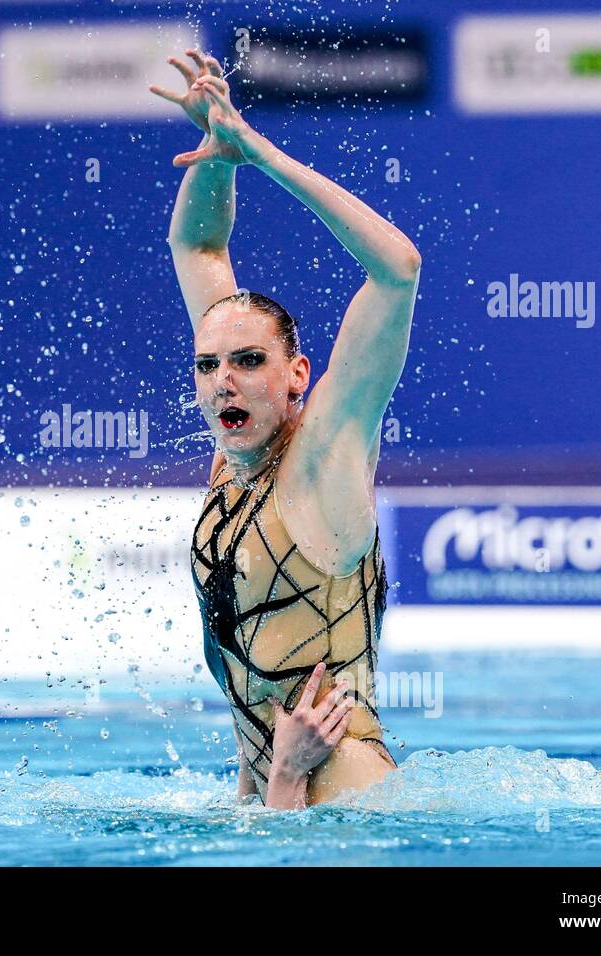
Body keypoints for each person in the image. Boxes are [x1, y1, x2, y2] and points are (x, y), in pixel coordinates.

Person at [151, 49, 421, 809]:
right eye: (207, 366)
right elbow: (197, 246)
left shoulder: (322, 460)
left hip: (340, 798)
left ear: (296, 375)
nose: (221, 380)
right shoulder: (234, 457)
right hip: (277, 790)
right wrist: (218, 154)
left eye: (245, 361)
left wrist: (262, 154)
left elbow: (397, 268)